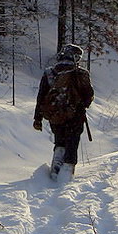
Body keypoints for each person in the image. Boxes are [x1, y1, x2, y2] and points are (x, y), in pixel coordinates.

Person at [33, 44, 94, 179]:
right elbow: (88, 97)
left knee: (59, 141)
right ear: (76, 57)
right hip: (76, 115)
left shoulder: (49, 73)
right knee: (72, 141)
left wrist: (37, 118)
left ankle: (55, 169)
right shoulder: (81, 73)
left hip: (55, 115)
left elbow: (41, 96)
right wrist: (80, 103)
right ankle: (66, 173)